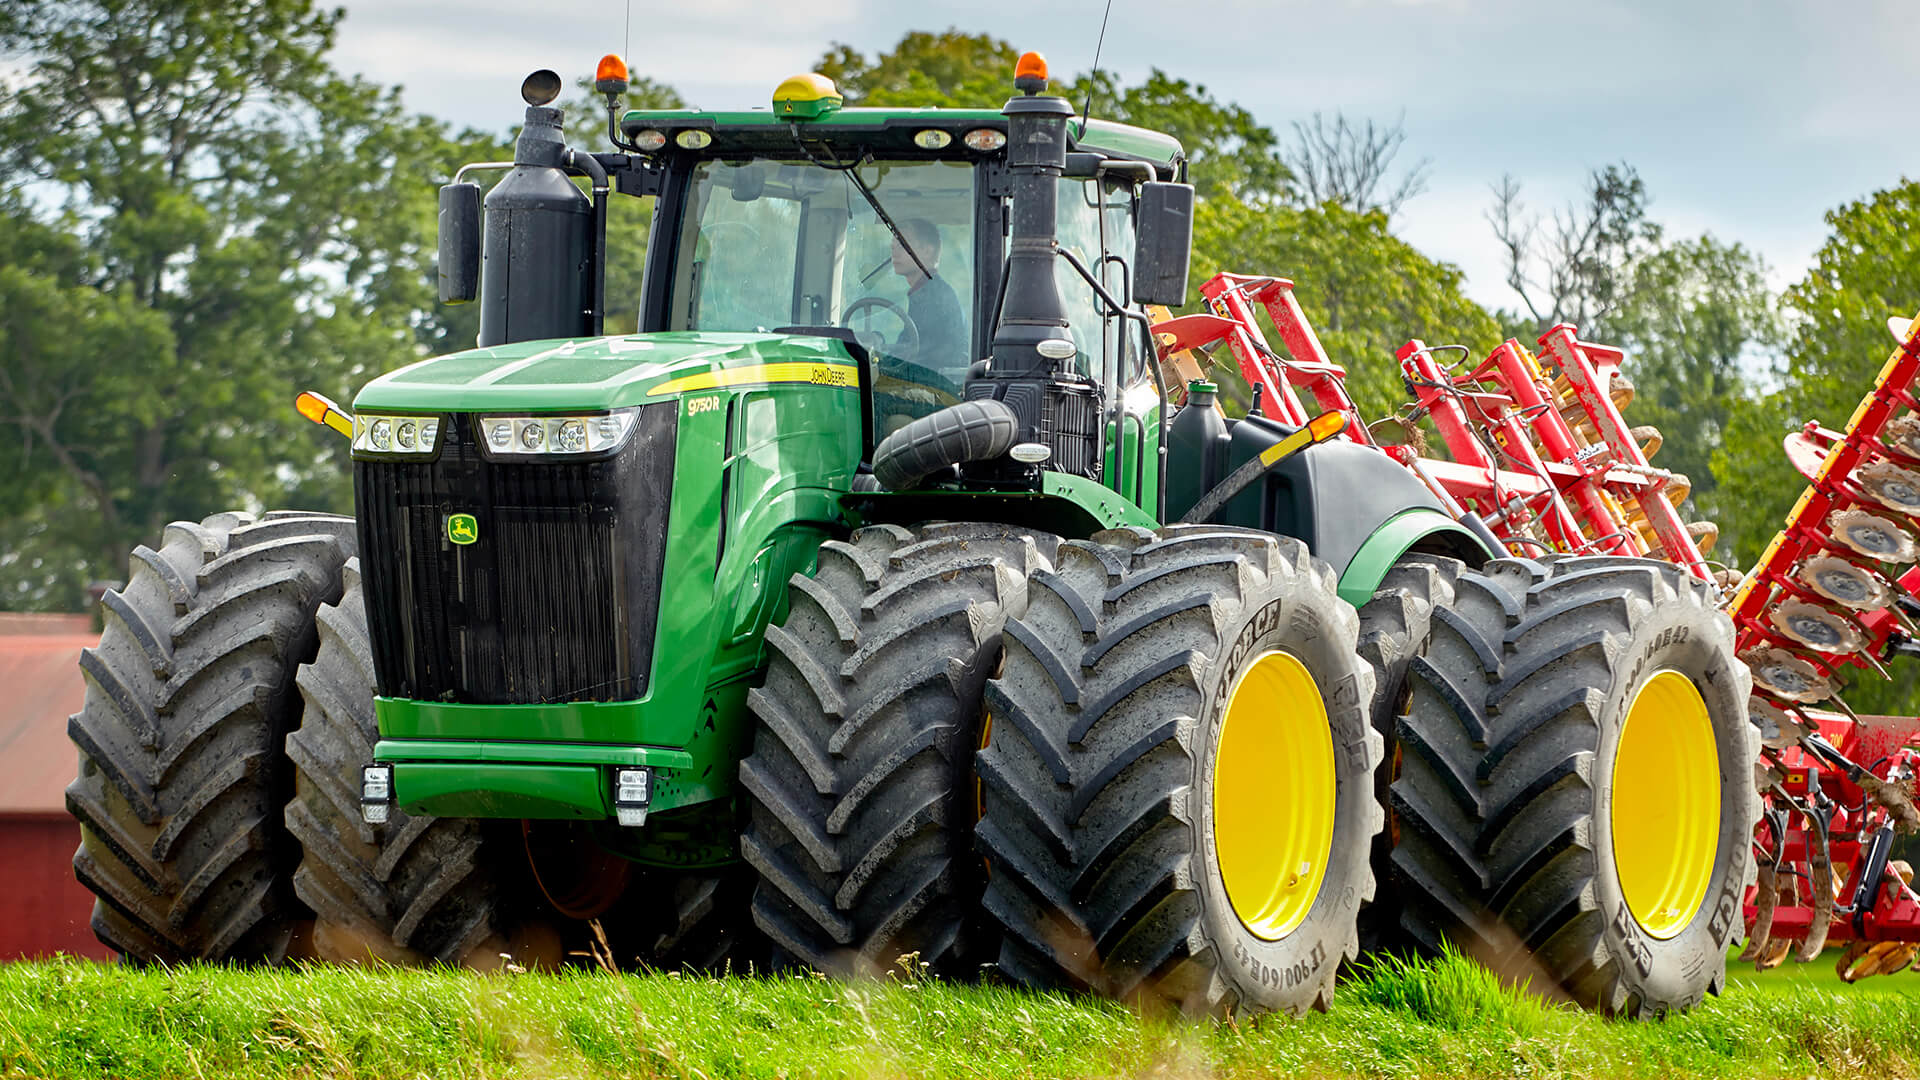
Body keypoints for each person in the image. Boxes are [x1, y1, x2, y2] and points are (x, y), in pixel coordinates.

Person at [888, 218, 966, 375]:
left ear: (927, 251)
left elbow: (915, 351)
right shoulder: (924, 291)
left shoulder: (935, 297)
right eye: (893, 246)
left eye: (902, 244)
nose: (894, 251)